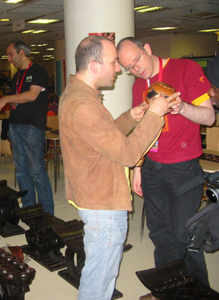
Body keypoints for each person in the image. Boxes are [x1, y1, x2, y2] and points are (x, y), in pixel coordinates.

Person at [59, 35, 180, 300]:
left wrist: (130, 118)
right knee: (100, 276)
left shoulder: (78, 96)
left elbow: (100, 140)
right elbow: (127, 154)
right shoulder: (84, 105)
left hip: (95, 195)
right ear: (94, 66)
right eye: (114, 62)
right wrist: (154, 115)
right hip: (103, 203)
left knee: (99, 272)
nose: (118, 69)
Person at [117, 37, 215, 299]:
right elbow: (142, 129)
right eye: (129, 67)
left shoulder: (186, 69)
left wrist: (181, 107)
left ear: (147, 49)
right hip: (152, 169)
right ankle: (173, 289)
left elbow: (209, 116)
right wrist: (138, 168)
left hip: (183, 169)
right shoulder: (139, 85)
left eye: (137, 60)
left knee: (181, 236)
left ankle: (173, 289)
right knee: (160, 234)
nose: (136, 69)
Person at [0, 40, 54, 215]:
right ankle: (29, 208)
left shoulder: (38, 71)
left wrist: (5, 99)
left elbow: (32, 95)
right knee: (21, 170)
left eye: (11, 54)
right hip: (15, 125)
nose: (9, 59)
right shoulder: (16, 76)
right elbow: (18, 97)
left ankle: (46, 212)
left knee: (37, 171)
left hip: (32, 126)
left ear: (22, 53)